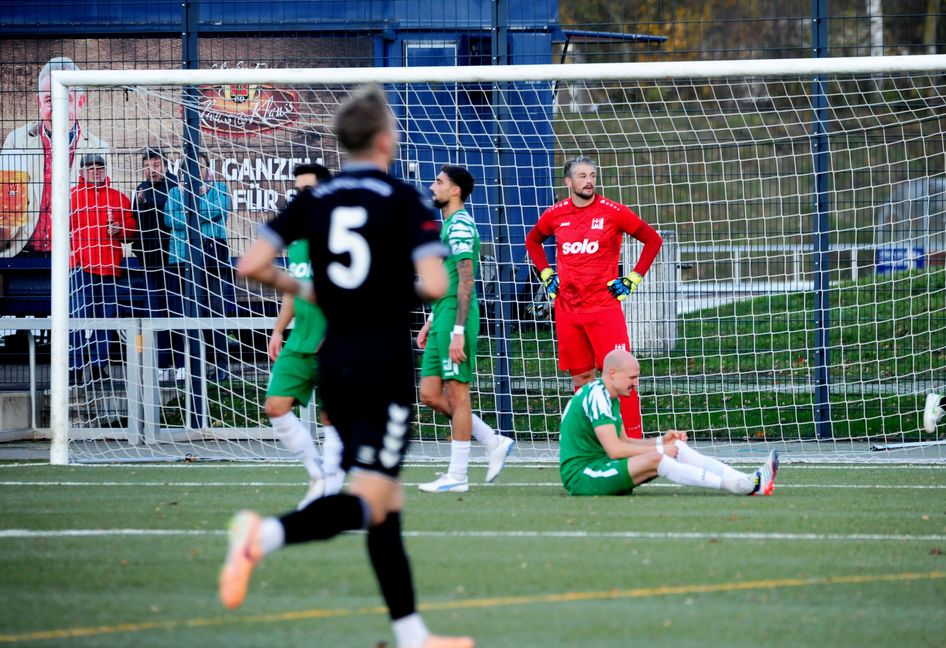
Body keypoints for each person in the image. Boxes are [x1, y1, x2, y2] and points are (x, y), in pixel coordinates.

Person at [224, 86, 474, 648]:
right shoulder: (403, 198)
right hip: (383, 365)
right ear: (386, 139)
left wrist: (305, 287)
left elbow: (252, 263)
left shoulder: (317, 197)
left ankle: (412, 632)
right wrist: (384, 289)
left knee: (386, 505)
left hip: (334, 361)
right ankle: (262, 536)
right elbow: (435, 285)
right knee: (374, 499)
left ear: (342, 142)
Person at [526, 155, 663, 439]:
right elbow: (533, 241)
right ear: (568, 181)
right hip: (568, 311)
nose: (589, 181)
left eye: (592, 175)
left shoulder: (614, 212)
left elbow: (653, 240)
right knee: (583, 379)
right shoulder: (555, 214)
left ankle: (634, 443)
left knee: (622, 377)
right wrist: (547, 274)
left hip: (604, 310)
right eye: (582, 176)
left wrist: (633, 279)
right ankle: (595, 442)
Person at [559, 349, 779, 497]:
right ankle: (738, 486)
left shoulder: (609, 396)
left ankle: (746, 481)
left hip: (601, 465)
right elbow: (615, 450)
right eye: (632, 378)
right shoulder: (596, 396)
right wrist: (660, 448)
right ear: (613, 373)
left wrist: (660, 440)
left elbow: (624, 441)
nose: (636, 384)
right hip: (583, 475)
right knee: (659, 456)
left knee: (676, 447)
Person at [416, 165, 513, 493]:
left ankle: (457, 476)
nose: (433, 187)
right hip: (442, 316)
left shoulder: (459, 226)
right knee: (429, 393)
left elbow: (468, 280)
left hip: (456, 321)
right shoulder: (448, 225)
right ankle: (491, 439)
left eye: (439, 182)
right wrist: (432, 320)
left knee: (458, 394)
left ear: (455, 190)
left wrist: (457, 329)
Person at [265, 162, 345, 507]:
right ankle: (318, 475)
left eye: (308, 190)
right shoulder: (297, 241)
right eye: (298, 191)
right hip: (300, 341)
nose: (301, 197)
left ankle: (330, 488)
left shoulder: (344, 238)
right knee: (276, 405)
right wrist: (279, 329)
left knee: (332, 419)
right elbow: (291, 289)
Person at [1, 57, 109, 257]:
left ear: (80, 102)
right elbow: (6, 203)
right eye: (50, 100)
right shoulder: (16, 141)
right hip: (22, 253)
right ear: (39, 102)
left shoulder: (98, 148)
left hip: (75, 257)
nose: (57, 108)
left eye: (65, 99)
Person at [68, 154, 136, 382]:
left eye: (99, 167)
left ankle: (98, 367)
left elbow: (132, 231)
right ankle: (74, 368)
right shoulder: (71, 198)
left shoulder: (118, 198)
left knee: (105, 320)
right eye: (90, 168)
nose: (95, 171)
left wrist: (120, 229)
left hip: (109, 267)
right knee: (76, 319)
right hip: (80, 267)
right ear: (81, 173)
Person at [166, 151, 233, 380]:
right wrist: (198, 216)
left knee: (215, 309)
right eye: (193, 168)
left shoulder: (220, 189)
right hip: (183, 257)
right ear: (184, 172)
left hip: (213, 253)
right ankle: (191, 365)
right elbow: (169, 220)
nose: (199, 172)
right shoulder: (175, 191)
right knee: (189, 311)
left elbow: (219, 210)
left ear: (208, 169)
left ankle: (221, 365)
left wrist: (189, 214)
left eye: (202, 167)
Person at [131, 148, 182, 381]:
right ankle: (161, 365)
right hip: (149, 261)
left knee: (177, 311)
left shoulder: (175, 186)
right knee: (155, 313)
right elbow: (135, 221)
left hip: (173, 261)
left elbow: (168, 213)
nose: (152, 169)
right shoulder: (140, 190)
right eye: (147, 165)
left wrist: (148, 201)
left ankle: (181, 364)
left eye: (156, 164)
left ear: (165, 165)